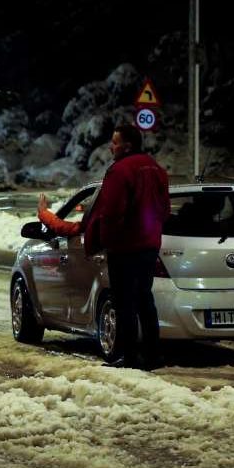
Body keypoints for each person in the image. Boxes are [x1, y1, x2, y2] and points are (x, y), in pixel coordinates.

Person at [84, 122, 170, 368]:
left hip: (125, 247)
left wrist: (107, 241)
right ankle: (153, 354)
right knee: (145, 298)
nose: (111, 147)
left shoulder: (119, 171)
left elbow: (111, 212)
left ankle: (129, 355)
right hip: (149, 245)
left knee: (124, 303)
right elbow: (164, 209)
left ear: (127, 146)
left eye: (115, 142)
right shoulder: (156, 169)